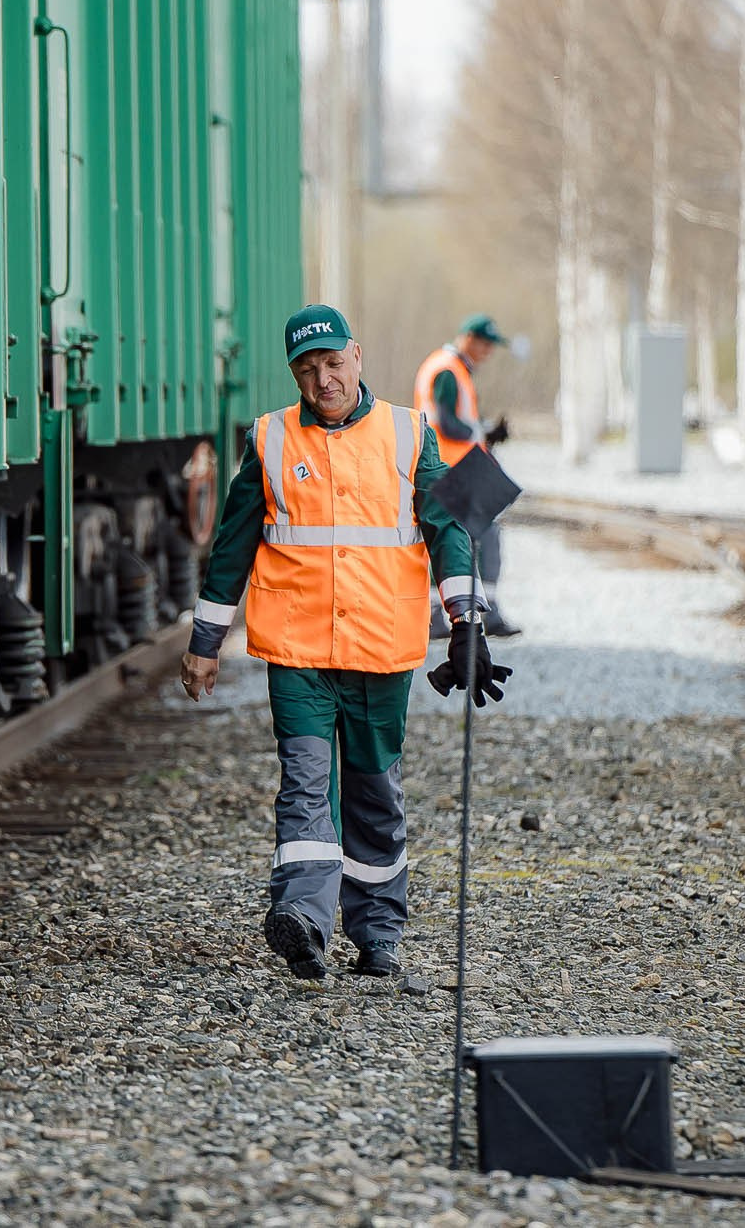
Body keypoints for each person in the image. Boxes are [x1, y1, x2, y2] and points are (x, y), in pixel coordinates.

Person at [179, 303, 511, 983]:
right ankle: (304, 918)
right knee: (303, 787)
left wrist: (467, 623)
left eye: (332, 363)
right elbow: (233, 542)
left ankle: (378, 934)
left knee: (373, 795)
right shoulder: (269, 440)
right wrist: (206, 639)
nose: (322, 379)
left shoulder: (405, 433)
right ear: (295, 374)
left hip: (381, 653)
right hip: (298, 653)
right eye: (307, 369)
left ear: (356, 357)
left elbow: (447, 530)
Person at [414, 314, 519, 638]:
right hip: (452, 467)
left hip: (445, 464)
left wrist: (485, 433)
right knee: (484, 535)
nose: (488, 352)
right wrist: (481, 431)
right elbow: (447, 425)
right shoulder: (448, 370)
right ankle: (489, 614)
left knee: (447, 540)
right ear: (469, 338)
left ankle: (436, 616)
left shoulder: (447, 366)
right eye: (486, 344)